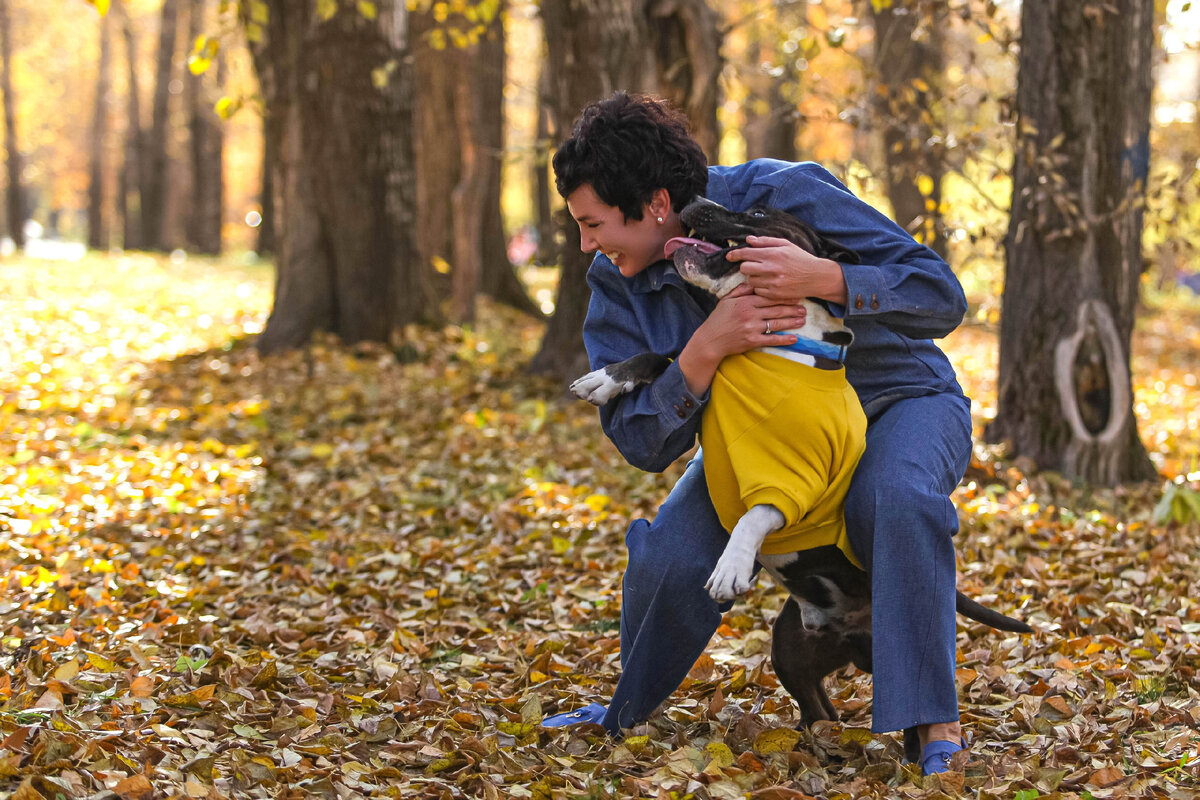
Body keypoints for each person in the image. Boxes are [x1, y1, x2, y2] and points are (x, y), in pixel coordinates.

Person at [542, 92, 973, 776]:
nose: (587, 244)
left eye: (594, 224)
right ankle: (622, 708)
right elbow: (640, 443)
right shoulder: (617, 282)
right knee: (672, 556)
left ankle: (933, 723)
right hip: (770, 444)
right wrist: (701, 354)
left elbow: (940, 294)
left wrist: (827, 277)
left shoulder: (783, 193)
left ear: (655, 203)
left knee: (893, 498)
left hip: (898, 401)